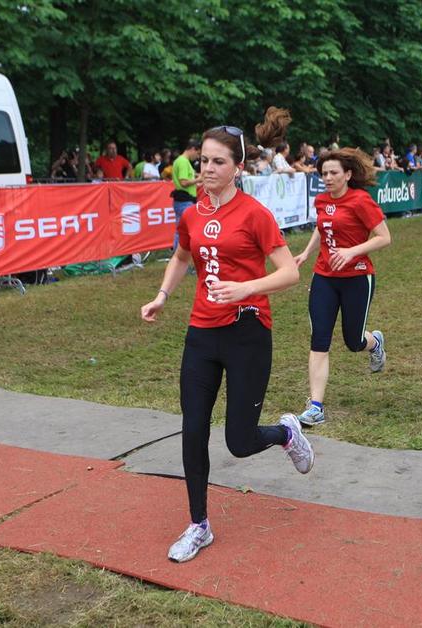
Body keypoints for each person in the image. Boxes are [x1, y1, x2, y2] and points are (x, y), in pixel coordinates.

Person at [140, 109, 313, 564]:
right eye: (204, 161)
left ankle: (286, 433)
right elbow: (181, 256)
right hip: (202, 333)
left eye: (218, 162)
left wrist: (246, 288)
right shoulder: (193, 213)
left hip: (247, 333)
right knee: (192, 429)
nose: (208, 169)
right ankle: (198, 524)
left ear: (237, 167)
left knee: (239, 440)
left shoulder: (255, 214)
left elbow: (290, 272)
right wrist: (162, 296)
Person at [290, 148, 391, 426]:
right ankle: (316, 407)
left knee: (353, 341)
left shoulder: (361, 200)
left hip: (357, 278)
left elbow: (384, 237)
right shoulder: (322, 200)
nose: (328, 178)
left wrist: (351, 252)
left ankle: (374, 342)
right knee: (319, 340)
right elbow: (322, 227)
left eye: (333, 172)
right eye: (324, 173)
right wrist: (307, 252)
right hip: (324, 277)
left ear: (347, 174)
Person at [170, 139, 202, 252]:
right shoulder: (183, 162)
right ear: (192, 149)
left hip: (182, 199)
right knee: (188, 230)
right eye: (198, 153)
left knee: (180, 230)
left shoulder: (180, 161)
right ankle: (182, 256)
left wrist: (197, 182)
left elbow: (186, 182)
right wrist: (199, 179)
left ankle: (177, 256)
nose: (197, 157)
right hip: (185, 200)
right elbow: (184, 182)